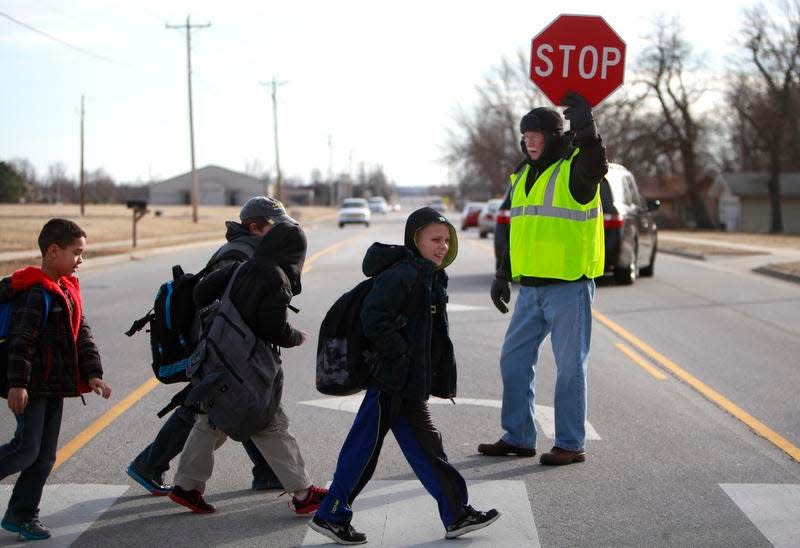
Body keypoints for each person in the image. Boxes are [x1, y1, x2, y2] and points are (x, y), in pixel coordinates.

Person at [310, 208, 500, 545]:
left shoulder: (430, 275)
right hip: (391, 382)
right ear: (415, 240)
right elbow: (374, 317)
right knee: (363, 449)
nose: (442, 246)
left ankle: (456, 514)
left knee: (429, 450)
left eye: (446, 240)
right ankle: (331, 513)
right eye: (434, 239)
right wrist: (399, 354)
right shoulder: (402, 275)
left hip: (408, 384)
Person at [127, 196, 293, 495]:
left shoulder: (249, 251)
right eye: (275, 227)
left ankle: (266, 471)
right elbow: (221, 308)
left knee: (231, 405)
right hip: (223, 346)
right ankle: (151, 464)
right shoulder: (237, 255)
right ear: (255, 228)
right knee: (216, 406)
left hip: (228, 346)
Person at [478, 92, 608, 465]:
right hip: (530, 289)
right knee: (513, 361)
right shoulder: (521, 175)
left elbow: (596, 164)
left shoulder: (574, 171)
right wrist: (503, 274)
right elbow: (518, 230)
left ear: (555, 136)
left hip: (569, 285)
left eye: (537, 134)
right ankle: (518, 436)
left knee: (570, 368)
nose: (530, 141)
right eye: (526, 135)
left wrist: (586, 126)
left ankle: (570, 442)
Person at [167, 220, 328, 515]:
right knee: (269, 422)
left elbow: (201, 293)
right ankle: (304, 494)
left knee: (212, 418)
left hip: (216, 357)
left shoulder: (240, 267)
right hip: (248, 367)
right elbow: (273, 328)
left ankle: (186, 486)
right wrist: (295, 337)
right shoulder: (276, 278)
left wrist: (228, 319)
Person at [0, 218, 112, 541]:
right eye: (76, 252)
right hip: (32, 387)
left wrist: (94, 374)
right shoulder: (35, 292)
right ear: (52, 252)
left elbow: (82, 336)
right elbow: (22, 342)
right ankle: (22, 512)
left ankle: (21, 514)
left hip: (53, 388)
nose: (81, 260)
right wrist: (17, 384)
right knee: (25, 450)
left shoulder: (65, 289)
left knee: (45, 456)